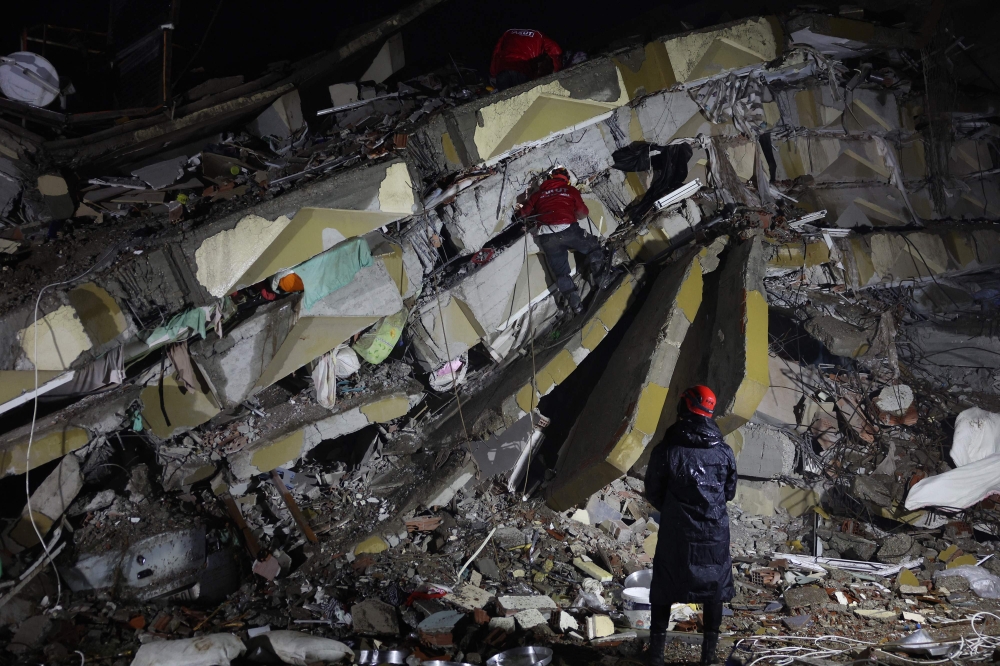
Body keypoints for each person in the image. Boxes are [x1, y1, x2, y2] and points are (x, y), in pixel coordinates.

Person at [643, 386, 737, 666]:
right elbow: (728, 493)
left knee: (664, 587)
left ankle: (657, 656)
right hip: (713, 534)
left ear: (685, 406)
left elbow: (653, 491)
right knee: (713, 590)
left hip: (676, 533)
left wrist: (675, 512)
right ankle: (708, 658)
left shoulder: (667, 449)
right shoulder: (724, 452)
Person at [516, 167, 604, 315]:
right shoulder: (570, 190)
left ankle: (576, 306)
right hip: (568, 230)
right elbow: (583, 213)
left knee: (561, 273)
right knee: (593, 247)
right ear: (567, 180)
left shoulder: (537, 195)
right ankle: (603, 279)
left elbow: (523, 214)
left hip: (547, 237)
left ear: (550, 179)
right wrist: (570, 212)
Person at [490, 29, 562, 90]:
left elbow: (496, 53)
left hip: (503, 71)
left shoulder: (508, 32)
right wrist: (557, 69)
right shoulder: (538, 35)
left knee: (505, 103)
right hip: (522, 71)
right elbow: (556, 50)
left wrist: (493, 74)